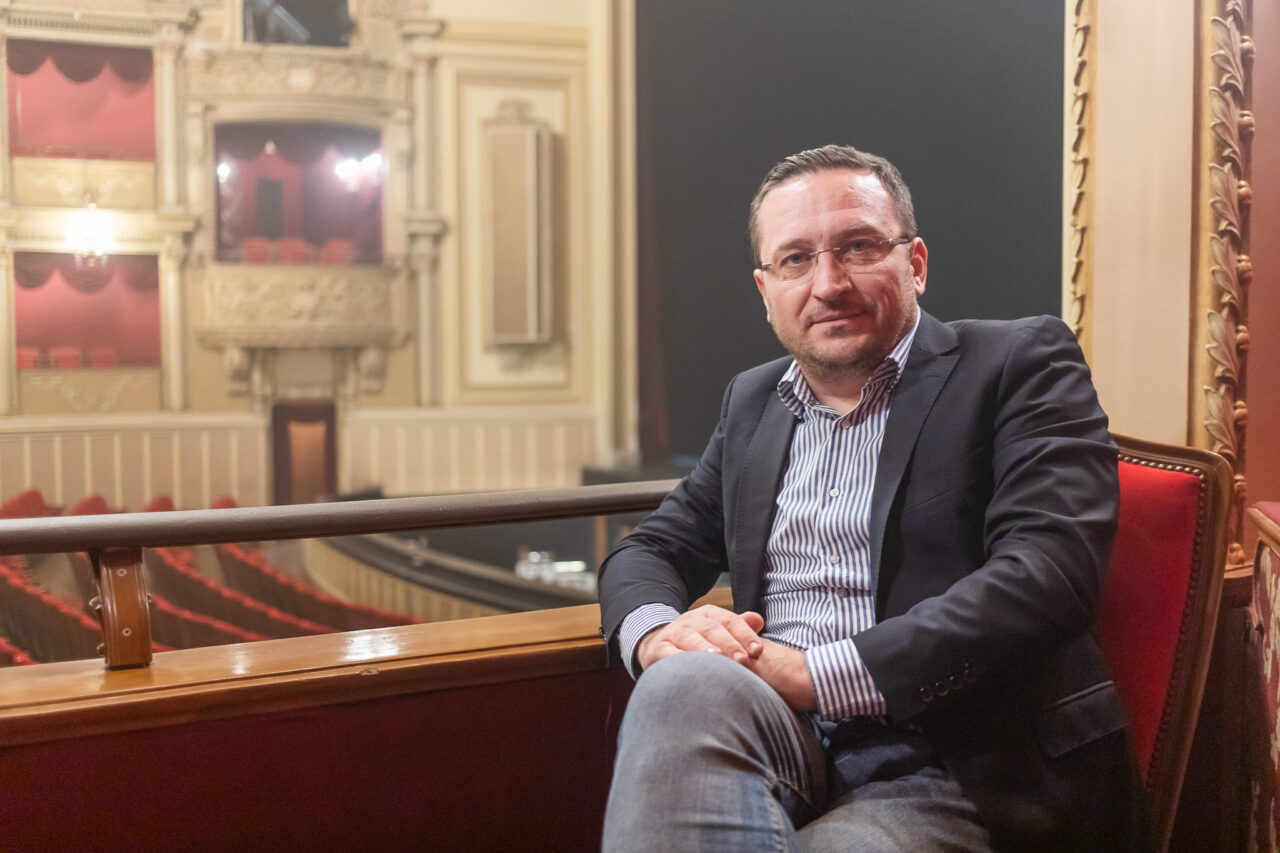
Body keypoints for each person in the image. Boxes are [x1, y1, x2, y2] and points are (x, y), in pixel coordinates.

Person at [596, 144, 1152, 851]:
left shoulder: (1018, 363)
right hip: (783, 734)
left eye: (858, 247)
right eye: (796, 259)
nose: (828, 283)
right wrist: (658, 637)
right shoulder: (752, 401)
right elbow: (651, 549)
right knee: (679, 686)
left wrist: (814, 674)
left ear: (915, 263)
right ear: (766, 290)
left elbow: (1050, 574)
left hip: (955, 759)